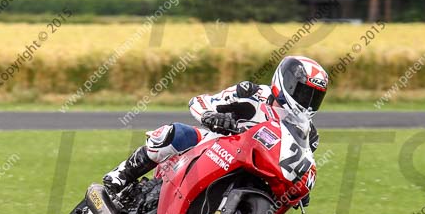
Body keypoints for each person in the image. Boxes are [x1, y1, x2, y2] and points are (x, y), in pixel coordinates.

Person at [103, 56, 329, 199]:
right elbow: (201, 102)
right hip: (216, 146)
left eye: (314, 97)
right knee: (175, 134)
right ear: (286, 82)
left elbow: (300, 161)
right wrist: (212, 116)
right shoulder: (252, 94)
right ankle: (122, 175)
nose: (307, 101)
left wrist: (299, 187)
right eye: (303, 92)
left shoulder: (309, 133)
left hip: (253, 169)